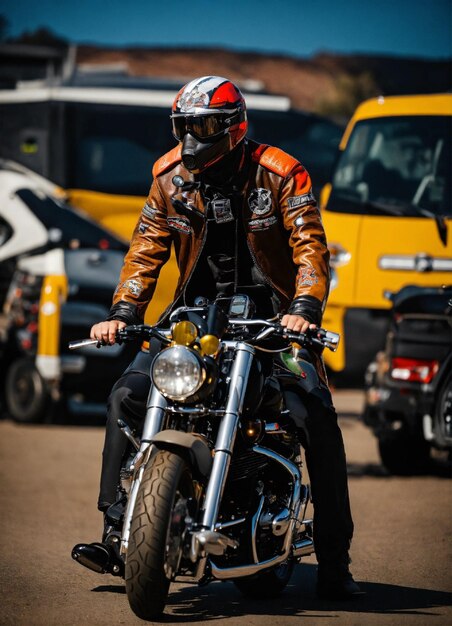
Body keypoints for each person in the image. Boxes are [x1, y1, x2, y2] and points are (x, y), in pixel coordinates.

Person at [73, 75, 361, 600]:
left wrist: (302, 309)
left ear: (233, 126)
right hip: (192, 321)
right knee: (127, 395)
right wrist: (122, 311)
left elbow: (310, 249)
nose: (191, 138)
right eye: (185, 126)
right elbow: (145, 248)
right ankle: (119, 534)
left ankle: (335, 565)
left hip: (272, 324)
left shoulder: (280, 174)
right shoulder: (168, 177)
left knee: (314, 413)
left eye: (203, 126)